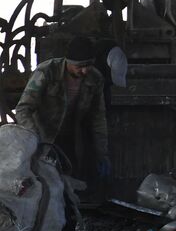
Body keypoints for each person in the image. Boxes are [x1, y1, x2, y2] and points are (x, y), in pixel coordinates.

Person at [12, 36, 111, 182]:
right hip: (43, 139)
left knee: (69, 184)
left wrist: (102, 153)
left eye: (88, 65)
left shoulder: (95, 79)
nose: (84, 71)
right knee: (42, 185)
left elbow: (98, 117)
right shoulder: (46, 72)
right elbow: (23, 108)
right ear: (68, 62)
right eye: (80, 66)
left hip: (71, 140)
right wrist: (35, 141)